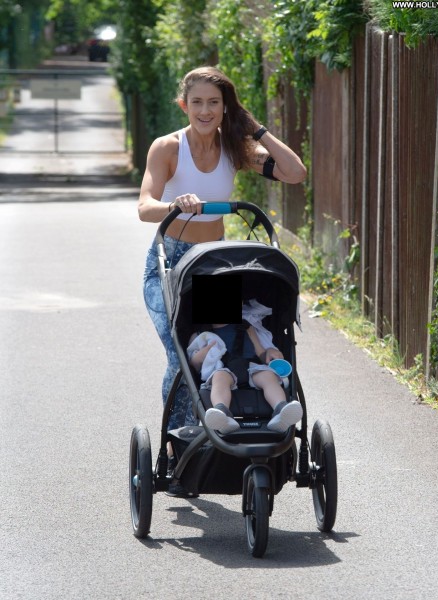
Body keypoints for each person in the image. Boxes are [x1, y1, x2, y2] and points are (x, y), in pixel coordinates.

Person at [139, 66, 307, 468]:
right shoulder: (168, 148)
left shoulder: (234, 148)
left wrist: (255, 129)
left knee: (227, 349)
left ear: (225, 107)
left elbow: (295, 173)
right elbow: (145, 207)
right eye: (197, 102)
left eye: (214, 102)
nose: (205, 110)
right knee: (182, 357)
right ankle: (177, 446)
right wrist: (175, 204)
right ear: (184, 105)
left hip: (214, 265)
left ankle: (221, 428)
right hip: (172, 264)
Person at [187, 323, 303, 434]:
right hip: (223, 370)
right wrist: (200, 356)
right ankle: (222, 413)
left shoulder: (247, 327)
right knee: (219, 377)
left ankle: (281, 409)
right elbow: (193, 366)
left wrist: (269, 352)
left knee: (268, 375)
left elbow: (261, 353)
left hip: (251, 367)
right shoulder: (199, 335)